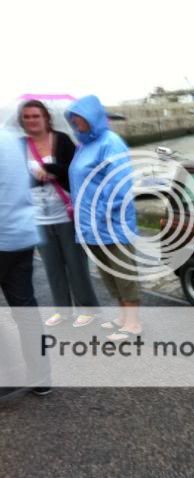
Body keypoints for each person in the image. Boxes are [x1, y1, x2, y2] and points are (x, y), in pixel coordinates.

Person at [65, 95, 141, 341]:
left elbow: (120, 185)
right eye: (73, 117)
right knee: (108, 275)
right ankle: (122, 318)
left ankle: (133, 324)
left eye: (79, 116)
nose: (75, 121)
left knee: (122, 273)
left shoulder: (111, 142)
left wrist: (99, 217)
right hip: (90, 227)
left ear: (92, 116)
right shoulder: (83, 146)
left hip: (112, 225)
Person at [19, 100, 100, 327]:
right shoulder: (19, 145)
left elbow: (76, 172)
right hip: (37, 216)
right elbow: (14, 179)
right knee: (52, 267)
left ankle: (88, 308)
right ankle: (63, 310)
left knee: (76, 263)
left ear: (46, 117)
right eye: (27, 117)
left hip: (66, 212)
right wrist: (36, 177)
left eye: (36, 116)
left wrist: (52, 171)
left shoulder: (62, 140)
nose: (32, 120)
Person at [0, 128, 51, 399]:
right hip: (21, 234)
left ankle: (6, 376)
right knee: (26, 310)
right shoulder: (10, 138)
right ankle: (41, 378)